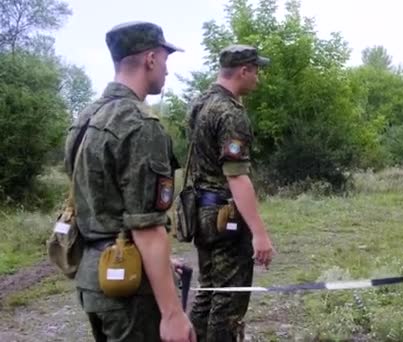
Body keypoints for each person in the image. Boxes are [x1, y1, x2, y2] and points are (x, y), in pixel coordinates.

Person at [64, 21, 195, 342]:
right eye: (165, 59)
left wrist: (161, 262)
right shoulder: (139, 124)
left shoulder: (86, 118)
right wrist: (173, 314)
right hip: (129, 290)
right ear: (151, 59)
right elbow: (147, 227)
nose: (166, 69)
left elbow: (103, 205)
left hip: (94, 279)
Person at [186, 44, 274, 341]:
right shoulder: (230, 112)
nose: (258, 78)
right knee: (229, 300)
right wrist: (259, 234)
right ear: (243, 70)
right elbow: (236, 177)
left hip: (201, 212)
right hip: (226, 217)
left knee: (207, 291)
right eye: (256, 70)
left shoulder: (200, 103)